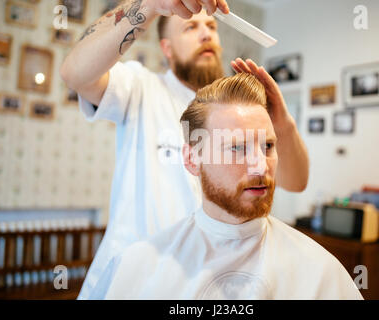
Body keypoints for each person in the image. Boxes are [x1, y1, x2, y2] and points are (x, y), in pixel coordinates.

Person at [60, 0, 309, 299]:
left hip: (208, 286)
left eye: (212, 27)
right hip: (135, 284)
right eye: (191, 26)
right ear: (167, 48)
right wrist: (148, 5)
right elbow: (75, 73)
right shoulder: (140, 88)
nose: (205, 34)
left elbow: (296, 182)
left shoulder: (236, 114)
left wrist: (282, 124)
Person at [95, 72, 362, 300]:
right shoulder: (139, 267)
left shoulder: (319, 271)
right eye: (236, 147)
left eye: (267, 146)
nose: (260, 166)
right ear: (192, 159)